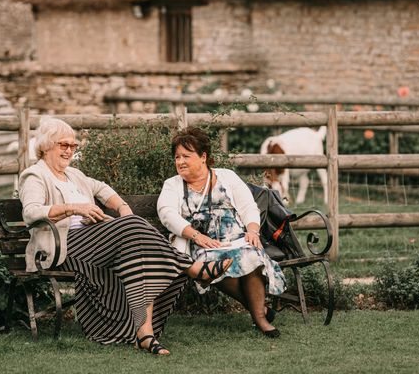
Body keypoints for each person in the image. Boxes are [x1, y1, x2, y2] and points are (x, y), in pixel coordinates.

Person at [19, 117, 232, 355]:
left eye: (73, 146)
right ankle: (192, 268)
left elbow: (102, 189)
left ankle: (145, 334)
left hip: (92, 240)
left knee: (141, 257)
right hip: (62, 246)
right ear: (47, 145)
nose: (70, 150)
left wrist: (123, 209)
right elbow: (31, 212)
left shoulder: (74, 175)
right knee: (132, 229)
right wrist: (74, 208)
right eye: (64, 145)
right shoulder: (35, 175)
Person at [157, 127, 286, 338]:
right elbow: (167, 215)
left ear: (203, 157)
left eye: (186, 156)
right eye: (177, 157)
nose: (180, 161)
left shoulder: (227, 176)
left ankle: (261, 319)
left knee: (250, 254)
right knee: (213, 264)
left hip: (236, 239)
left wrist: (253, 231)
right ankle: (259, 312)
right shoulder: (172, 185)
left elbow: (248, 207)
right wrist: (197, 236)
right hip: (200, 244)